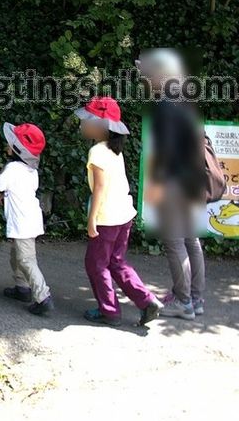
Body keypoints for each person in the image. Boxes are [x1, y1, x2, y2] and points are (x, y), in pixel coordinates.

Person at [75, 97, 162, 326]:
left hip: (107, 218)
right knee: (116, 262)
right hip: (124, 215)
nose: (82, 124)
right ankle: (147, 300)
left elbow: (100, 188)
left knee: (96, 264)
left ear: (101, 126)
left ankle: (110, 311)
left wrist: (92, 218)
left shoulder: (97, 152)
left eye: (86, 120)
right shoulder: (114, 150)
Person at [137, 49, 206, 320]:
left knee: (175, 242)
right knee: (191, 240)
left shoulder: (164, 104)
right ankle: (196, 299)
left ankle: (183, 301)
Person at [0, 122, 53, 316]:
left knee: (26, 260)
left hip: (22, 223)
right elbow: (17, 190)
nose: (6, 145)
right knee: (16, 256)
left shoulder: (12, 169)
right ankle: (22, 288)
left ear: (17, 149)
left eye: (10, 143)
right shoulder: (31, 171)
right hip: (29, 220)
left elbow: (0, 183)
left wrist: (2, 186)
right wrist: (5, 196)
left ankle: (43, 297)